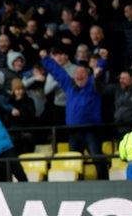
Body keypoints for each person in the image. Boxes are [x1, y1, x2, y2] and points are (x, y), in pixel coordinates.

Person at [40, 49, 107, 179]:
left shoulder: (93, 85)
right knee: (74, 162)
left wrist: (102, 61)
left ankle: (104, 183)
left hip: (91, 130)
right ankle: (78, 186)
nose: (79, 76)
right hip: (73, 131)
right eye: (77, 74)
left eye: (82, 74)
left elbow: (99, 74)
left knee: (97, 158)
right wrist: (46, 59)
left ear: (88, 76)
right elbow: (58, 72)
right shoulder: (69, 86)